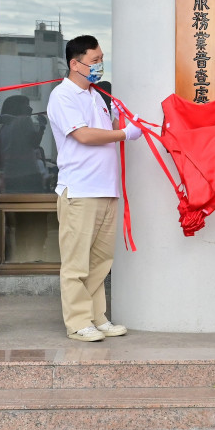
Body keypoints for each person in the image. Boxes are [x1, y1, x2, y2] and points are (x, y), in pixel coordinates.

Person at [46, 35, 143, 342]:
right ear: (75, 64)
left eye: (101, 59)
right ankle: (77, 322)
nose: (100, 66)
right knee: (76, 263)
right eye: (95, 61)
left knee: (100, 262)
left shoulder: (95, 96)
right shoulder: (63, 96)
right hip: (80, 191)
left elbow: (104, 131)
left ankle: (96, 317)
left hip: (106, 189)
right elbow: (84, 136)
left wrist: (122, 123)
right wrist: (124, 134)